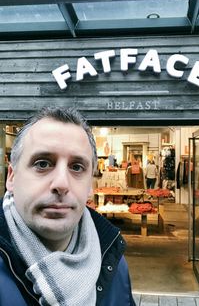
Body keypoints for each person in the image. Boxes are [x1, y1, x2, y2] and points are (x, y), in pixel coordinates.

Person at [0, 107, 135, 306]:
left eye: (77, 167)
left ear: (90, 185)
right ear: (11, 177)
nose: (61, 183)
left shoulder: (113, 263)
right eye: (43, 163)